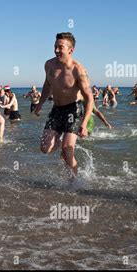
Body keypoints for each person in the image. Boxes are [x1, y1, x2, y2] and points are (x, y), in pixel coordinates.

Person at [35, 32, 93, 176]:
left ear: (70, 50)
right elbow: (47, 85)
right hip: (56, 109)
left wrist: (84, 124)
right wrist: (40, 103)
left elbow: (90, 98)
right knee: (45, 148)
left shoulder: (78, 70)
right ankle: (62, 143)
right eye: (55, 47)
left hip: (73, 110)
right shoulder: (49, 64)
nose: (56, 50)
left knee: (68, 150)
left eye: (60, 47)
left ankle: (74, 181)